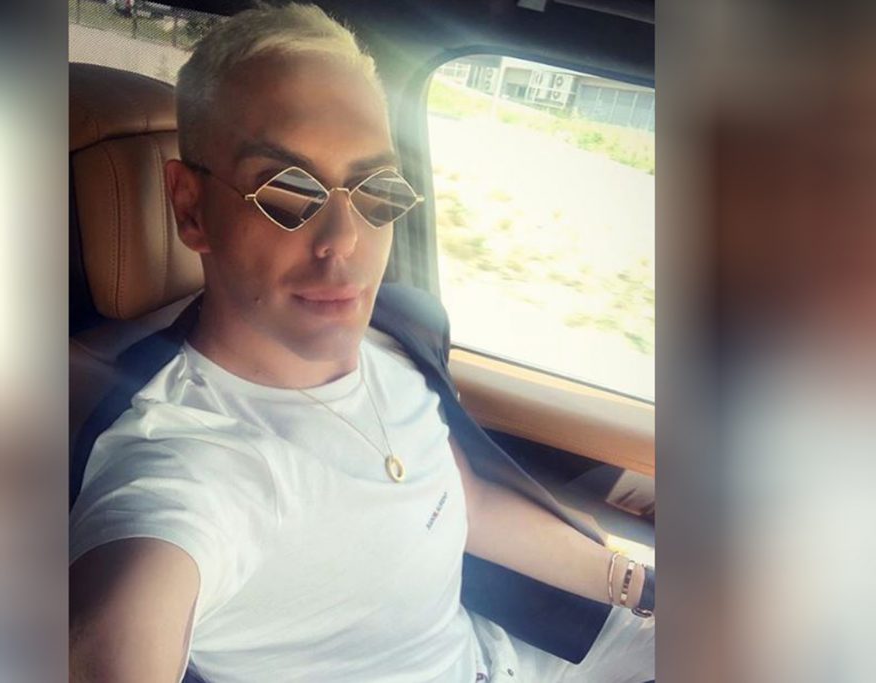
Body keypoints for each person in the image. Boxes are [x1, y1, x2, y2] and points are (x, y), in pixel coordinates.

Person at [68, 4, 654, 682]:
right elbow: (122, 613)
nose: (345, 239)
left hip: (514, 649)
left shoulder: (395, 339)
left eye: (377, 190)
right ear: (190, 206)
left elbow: (467, 501)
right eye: (288, 191)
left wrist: (637, 584)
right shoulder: (188, 463)